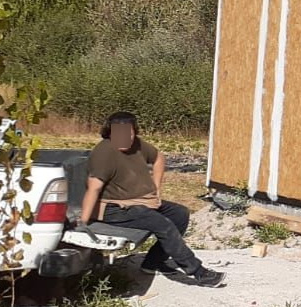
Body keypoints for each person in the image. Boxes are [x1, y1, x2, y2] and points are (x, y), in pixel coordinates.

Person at [82, 111, 225, 288]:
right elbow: (93, 188)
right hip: (113, 208)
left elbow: (158, 158)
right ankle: (199, 272)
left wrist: (157, 188)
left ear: (134, 132)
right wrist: (83, 220)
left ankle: (153, 262)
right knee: (161, 224)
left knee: (179, 214)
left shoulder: (139, 145)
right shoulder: (104, 153)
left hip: (141, 201)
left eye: (129, 133)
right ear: (109, 133)